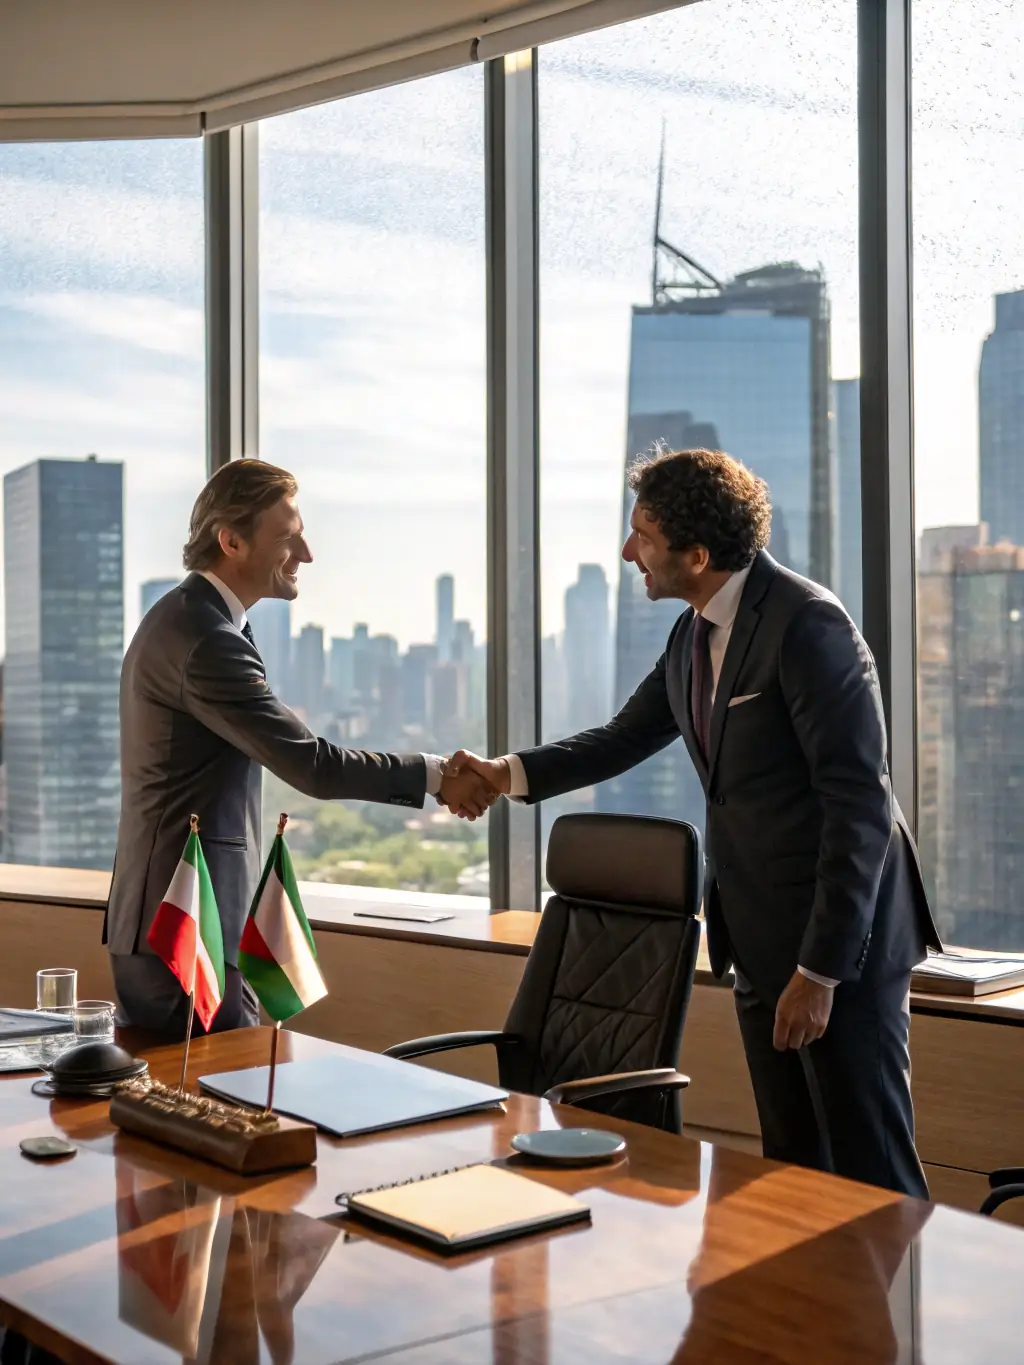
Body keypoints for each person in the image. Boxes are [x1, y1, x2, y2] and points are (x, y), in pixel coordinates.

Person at [449, 447, 941, 1199]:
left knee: (873, 1176)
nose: (628, 551)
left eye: (642, 535)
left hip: (843, 949)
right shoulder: (691, 634)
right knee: (790, 1173)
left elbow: (859, 806)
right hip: (758, 941)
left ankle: (902, 1288)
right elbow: (621, 738)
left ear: (698, 554)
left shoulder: (808, 625)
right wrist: (504, 773)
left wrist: (820, 972)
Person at [104, 459, 493, 1034]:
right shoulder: (205, 638)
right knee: (213, 1087)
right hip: (184, 928)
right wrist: (436, 775)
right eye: (288, 537)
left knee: (211, 1084)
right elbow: (313, 766)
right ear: (231, 542)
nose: (306, 554)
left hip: (181, 919)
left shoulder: (194, 620)